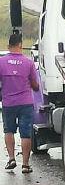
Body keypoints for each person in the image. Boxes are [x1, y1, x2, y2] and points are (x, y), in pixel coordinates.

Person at [0, 32, 40, 173]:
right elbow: (35, 86)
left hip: (8, 103)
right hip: (25, 103)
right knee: (25, 134)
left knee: (9, 130)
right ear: (21, 46)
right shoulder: (28, 62)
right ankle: (25, 165)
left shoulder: (1, 62)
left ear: (8, 46)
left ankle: (11, 159)